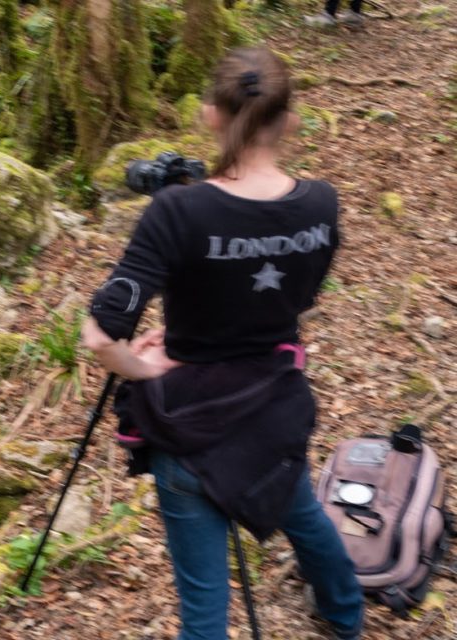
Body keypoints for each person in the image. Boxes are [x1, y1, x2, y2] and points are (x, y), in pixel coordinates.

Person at [81, 47, 364, 640]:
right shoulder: (322, 203)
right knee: (304, 514)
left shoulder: (176, 211)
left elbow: (101, 336)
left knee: (204, 604)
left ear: (211, 115)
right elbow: (299, 299)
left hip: (192, 427)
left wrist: (144, 368)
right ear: (289, 120)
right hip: (274, 411)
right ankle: (345, 618)